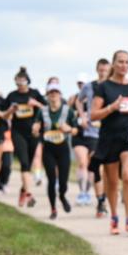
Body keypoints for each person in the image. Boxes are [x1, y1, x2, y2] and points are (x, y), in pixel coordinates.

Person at [91, 50, 128, 236]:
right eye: (120, 62)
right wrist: (111, 107)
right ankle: (114, 217)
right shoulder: (104, 87)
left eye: (127, 62)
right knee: (112, 182)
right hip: (109, 137)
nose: (124, 65)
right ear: (113, 64)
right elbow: (93, 115)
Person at [2, 67, 46, 207]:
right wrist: (11, 110)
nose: (21, 83)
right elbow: (4, 116)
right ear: (15, 82)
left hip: (33, 133)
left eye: (23, 81)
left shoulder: (35, 93)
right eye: (18, 81)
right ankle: (29, 195)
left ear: (28, 81)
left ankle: (23, 190)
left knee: (29, 164)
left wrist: (36, 104)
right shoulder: (12, 96)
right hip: (17, 132)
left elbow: (47, 110)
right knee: (24, 163)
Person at [38, 78, 78, 219]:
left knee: (63, 181)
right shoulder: (42, 111)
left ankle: (62, 195)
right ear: (47, 95)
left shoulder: (68, 110)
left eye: (56, 92)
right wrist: (35, 128)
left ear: (60, 94)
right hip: (48, 149)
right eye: (51, 92)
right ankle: (53, 209)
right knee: (51, 179)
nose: (53, 94)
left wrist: (70, 129)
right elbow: (37, 127)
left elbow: (76, 130)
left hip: (62, 149)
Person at [77, 59, 111, 217]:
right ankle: (100, 200)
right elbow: (79, 100)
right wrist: (83, 116)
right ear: (97, 70)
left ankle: (106, 197)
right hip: (92, 132)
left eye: (106, 70)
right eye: (101, 70)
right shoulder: (89, 86)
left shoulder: (113, 86)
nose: (103, 72)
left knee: (109, 169)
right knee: (96, 166)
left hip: (110, 131)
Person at [70, 72, 94, 206]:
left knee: (91, 166)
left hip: (93, 135)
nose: (81, 86)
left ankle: (87, 192)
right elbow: (67, 115)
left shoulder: (93, 99)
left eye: (83, 84)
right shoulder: (73, 99)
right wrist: (76, 120)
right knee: (82, 163)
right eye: (79, 84)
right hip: (78, 135)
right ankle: (81, 192)